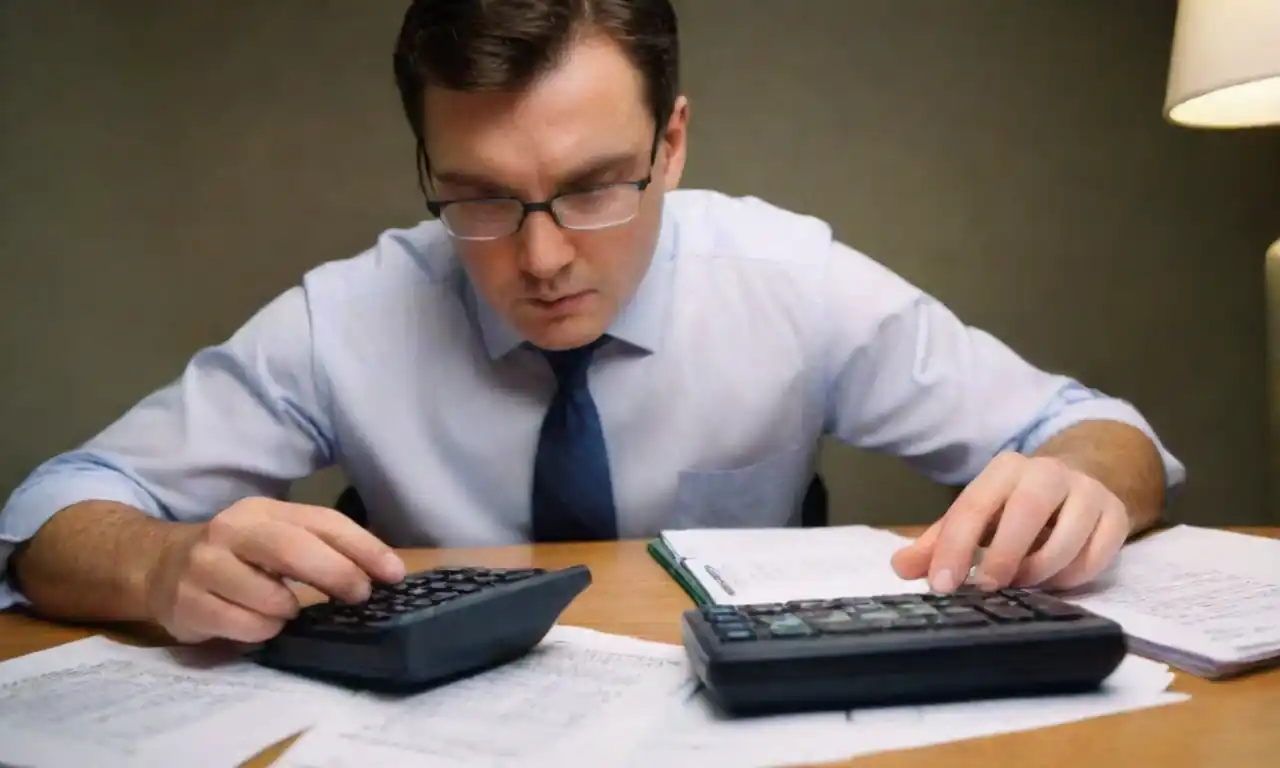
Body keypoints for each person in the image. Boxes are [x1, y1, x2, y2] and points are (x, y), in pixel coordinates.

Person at [0, 0, 1183, 646]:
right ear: (427, 162)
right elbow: (45, 511)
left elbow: (1091, 429)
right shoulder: (348, 314)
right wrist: (160, 565)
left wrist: (1076, 483)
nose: (543, 255)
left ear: (671, 142)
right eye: (476, 197)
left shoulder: (790, 276)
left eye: (596, 185)